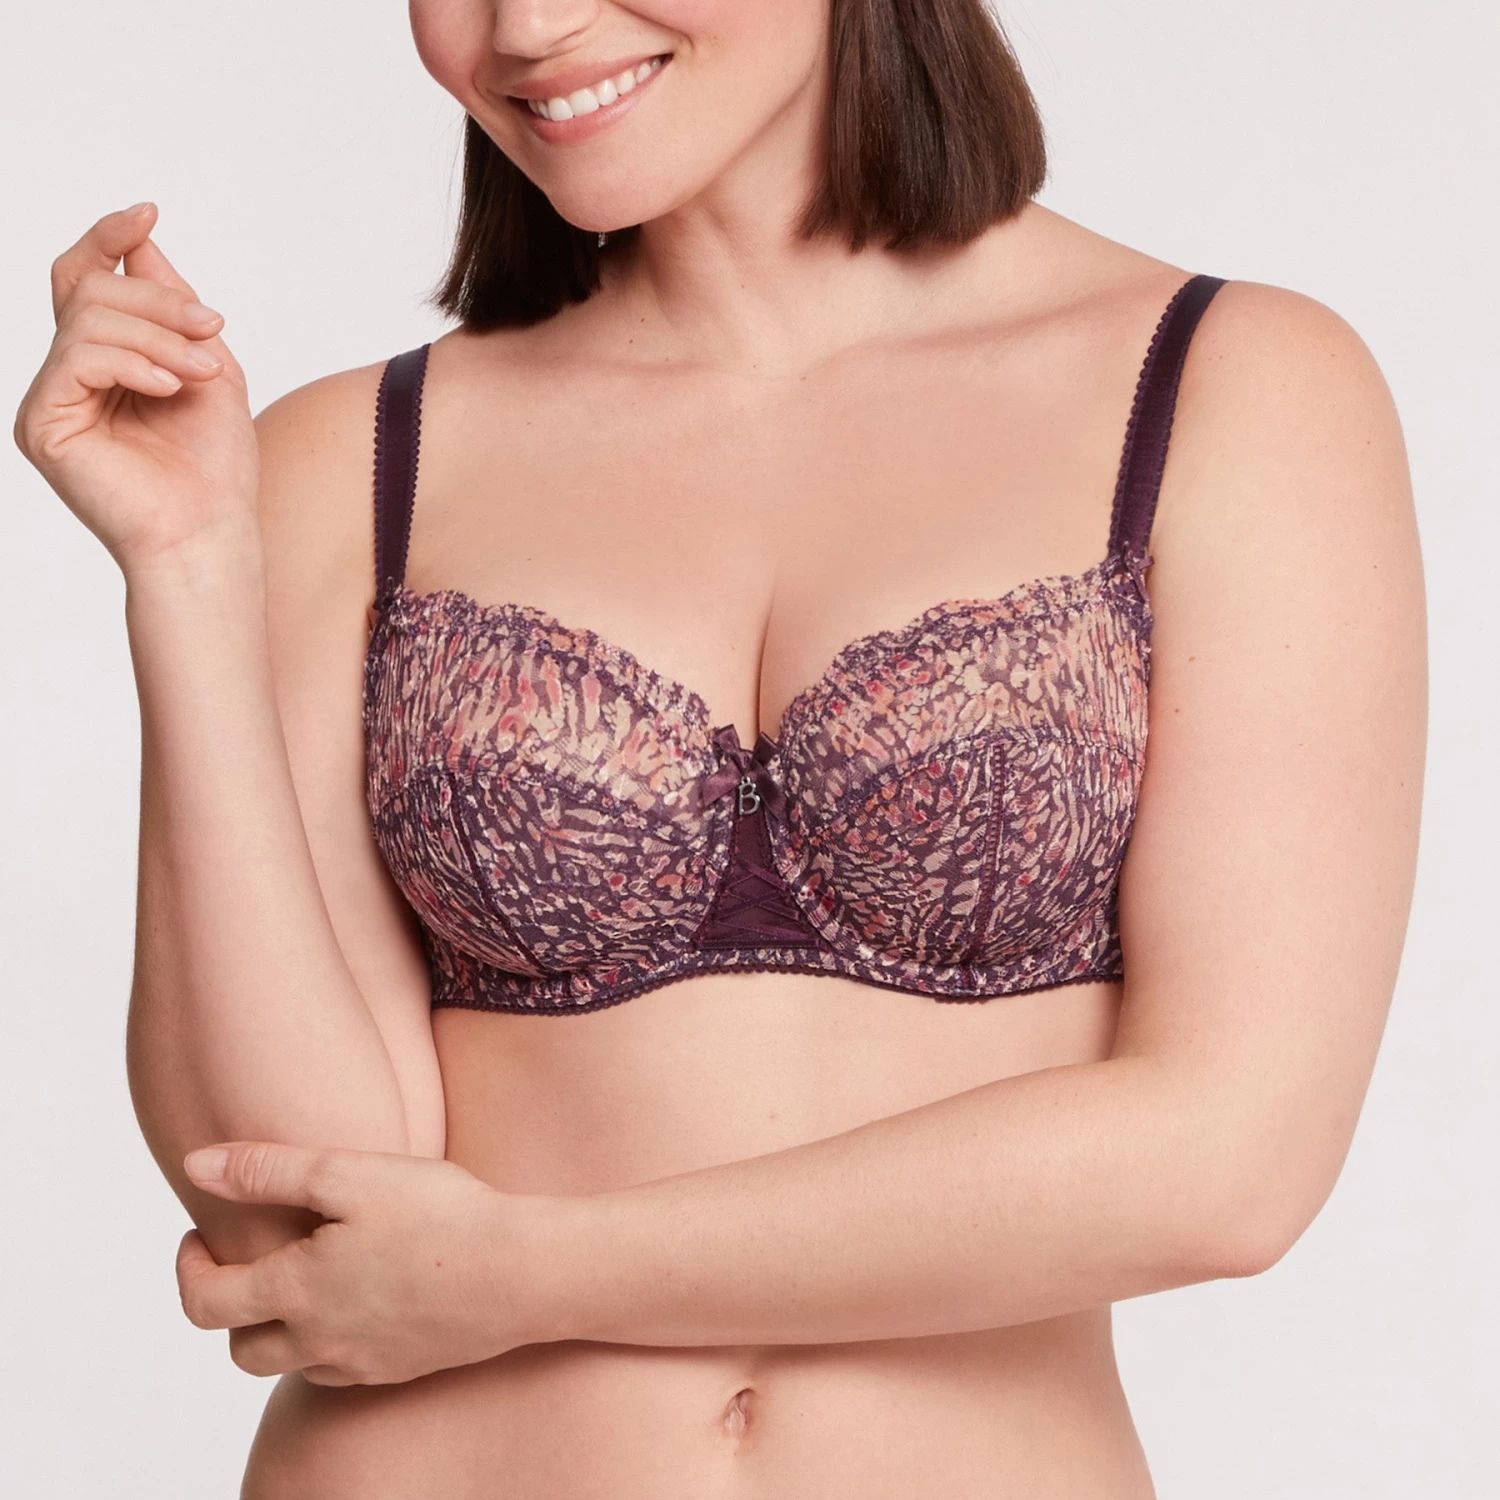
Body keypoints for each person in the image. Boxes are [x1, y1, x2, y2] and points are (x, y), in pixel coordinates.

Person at [13, 2, 1425, 1496]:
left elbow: (1228, 1157)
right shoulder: (348, 459)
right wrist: (187, 568)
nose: (530, 25)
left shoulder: (1225, 387)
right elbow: (294, 1225)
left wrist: (532, 1272)